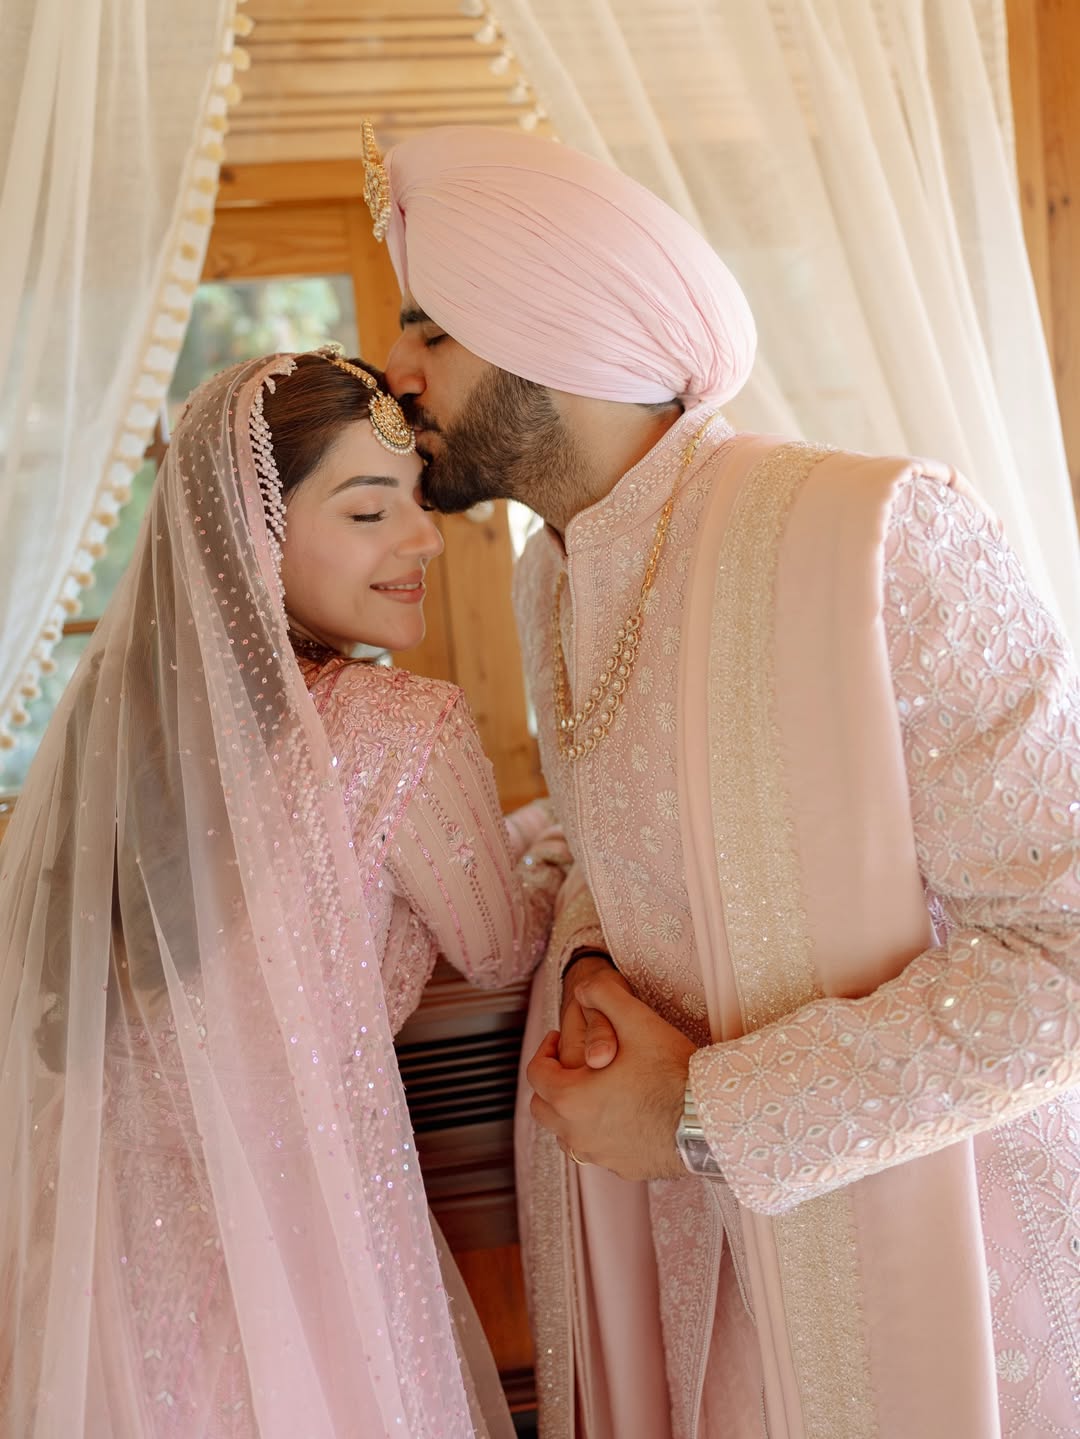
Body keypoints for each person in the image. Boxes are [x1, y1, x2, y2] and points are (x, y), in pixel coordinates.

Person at [372, 123, 1080, 1439]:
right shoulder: (551, 576)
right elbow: (624, 838)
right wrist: (591, 960)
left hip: (950, 1272)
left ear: (554, 330)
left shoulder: (880, 534)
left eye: (433, 328)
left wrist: (704, 1116)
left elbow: (1065, 952)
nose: (396, 370)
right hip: (699, 1270)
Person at [0, 346, 594, 1436]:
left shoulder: (114, 736)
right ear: (249, 536)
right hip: (309, 1260)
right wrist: (557, 854)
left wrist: (503, 832)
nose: (424, 536)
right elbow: (504, 948)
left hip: (106, 1276)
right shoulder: (398, 727)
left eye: (416, 498)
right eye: (369, 511)